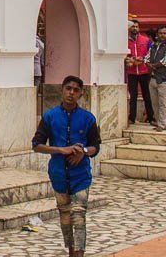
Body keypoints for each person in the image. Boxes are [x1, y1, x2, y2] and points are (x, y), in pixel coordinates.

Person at [32, 75, 101, 257]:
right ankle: (71, 252)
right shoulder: (50, 117)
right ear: (62, 90)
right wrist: (61, 150)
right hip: (59, 174)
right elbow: (36, 145)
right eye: (68, 89)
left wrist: (83, 151)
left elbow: (95, 146)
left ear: (80, 94)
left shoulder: (88, 119)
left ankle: (78, 254)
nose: (71, 93)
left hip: (81, 175)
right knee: (65, 217)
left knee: (78, 216)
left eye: (76, 90)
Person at [145, 25, 166, 131]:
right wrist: (148, 64)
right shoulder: (153, 46)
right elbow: (146, 58)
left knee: (163, 103)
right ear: (157, 34)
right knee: (155, 103)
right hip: (153, 78)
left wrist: (152, 65)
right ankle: (160, 122)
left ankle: (162, 124)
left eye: (164, 33)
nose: (162, 35)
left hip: (163, 78)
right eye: (160, 33)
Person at [125, 20, 154, 126]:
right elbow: (124, 55)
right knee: (133, 96)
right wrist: (130, 60)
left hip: (144, 71)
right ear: (129, 28)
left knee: (147, 95)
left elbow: (151, 53)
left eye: (137, 27)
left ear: (139, 28)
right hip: (132, 72)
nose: (135, 28)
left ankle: (151, 117)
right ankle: (132, 118)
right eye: (133, 27)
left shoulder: (146, 40)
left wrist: (142, 59)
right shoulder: (124, 41)